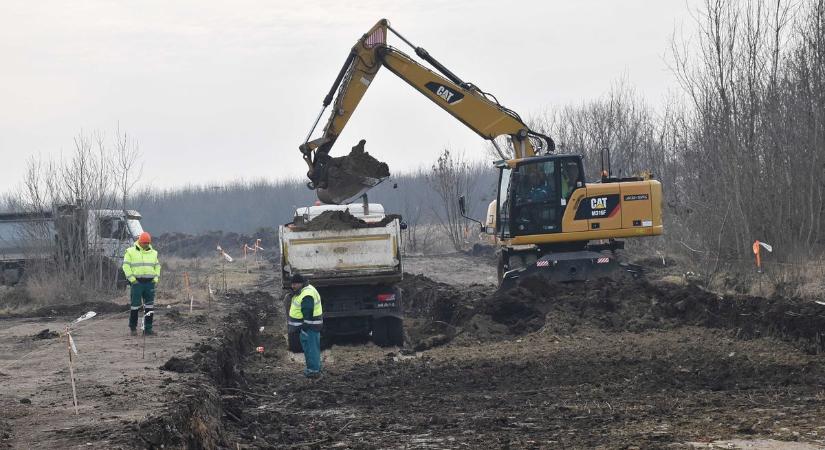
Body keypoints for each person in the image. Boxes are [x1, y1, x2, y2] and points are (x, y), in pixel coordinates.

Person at [122, 232, 161, 336]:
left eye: (148, 243)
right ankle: (133, 328)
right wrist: (132, 280)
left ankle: (148, 329)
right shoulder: (130, 251)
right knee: (135, 306)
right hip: (137, 283)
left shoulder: (154, 253)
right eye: (144, 243)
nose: (146, 245)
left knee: (149, 306)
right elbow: (126, 266)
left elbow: (157, 266)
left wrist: (156, 278)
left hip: (150, 283)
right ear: (140, 242)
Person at [287, 273, 324, 378]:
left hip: (309, 327)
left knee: (311, 349)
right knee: (311, 348)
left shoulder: (307, 294)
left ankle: (313, 371)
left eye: (295, 284)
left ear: (301, 283)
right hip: (309, 327)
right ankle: (314, 369)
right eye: (292, 284)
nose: (292, 286)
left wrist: (304, 328)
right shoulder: (304, 290)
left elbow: (308, 313)